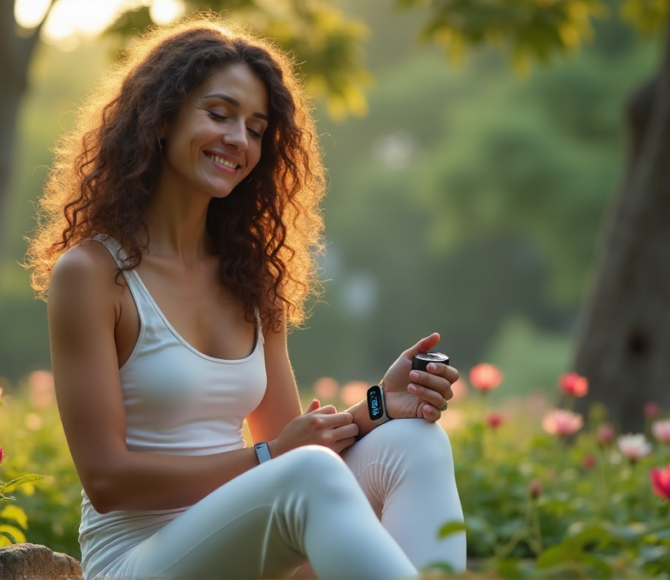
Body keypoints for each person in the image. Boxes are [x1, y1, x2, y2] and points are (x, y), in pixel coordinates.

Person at [24, 16, 465, 580]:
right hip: (138, 557)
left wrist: (378, 408)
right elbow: (108, 481)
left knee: (414, 443)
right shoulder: (92, 274)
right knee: (306, 473)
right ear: (161, 118)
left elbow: (288, 439)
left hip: (250, 533)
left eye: (256, 128)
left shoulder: (249, 277)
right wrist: (270, 457)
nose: (239, 139)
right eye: (218, 113)